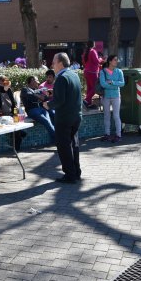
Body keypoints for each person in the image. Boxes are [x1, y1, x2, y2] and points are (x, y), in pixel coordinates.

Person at [44, 53, 82, 184]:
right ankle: (76, 172)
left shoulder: (61, 78)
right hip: (76, 116)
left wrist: (48, 104)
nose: (52, 65)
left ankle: (70, 175)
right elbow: (71, 93)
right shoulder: (74, 74)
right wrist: (54, 94)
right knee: (74, 145)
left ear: (60, 63)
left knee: (64, 147)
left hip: (64, 118)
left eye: (54, 62)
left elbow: (59, 101)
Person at [99, 55, 125, 142]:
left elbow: (122, 83)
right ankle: (107, 134)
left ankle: (118, 135)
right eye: (115, 60)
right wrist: (114, 85)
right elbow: (103, 84)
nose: (116, 61)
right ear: (110, 61)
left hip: (116, 96)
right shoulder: (103, 71)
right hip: (106, 96)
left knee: (116, 116)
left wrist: (111, 82)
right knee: (106, 116)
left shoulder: (119, 71)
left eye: (117, 60)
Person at [20, 76, 55, 140]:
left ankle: (57, 139)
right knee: (46, 122)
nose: (38, 83)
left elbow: (44, 98)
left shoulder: (37, 90)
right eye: (37, 81)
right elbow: (30, 96)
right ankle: (58, 141)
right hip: (32, 110)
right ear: (32, 81)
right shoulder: (25, 89)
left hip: (42, 109)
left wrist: (49, 95)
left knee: (50, 122)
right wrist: (39, 96)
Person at [0, 75, 25, 151]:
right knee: (14, 130)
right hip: (1, 115)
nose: (6, 84)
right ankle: (20, 136)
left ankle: (17, 146)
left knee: (16, 127)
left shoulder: (8, 90)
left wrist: (15, 113)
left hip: (11, 113)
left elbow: (13, 104)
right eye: (3, 82)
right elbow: (1, 90)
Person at [82, 40, 104, 109]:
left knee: (90, 88)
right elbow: (96, 61)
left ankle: (88, 103)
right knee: (95, 88)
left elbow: (84, 62)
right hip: (93, 72)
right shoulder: (93, 51)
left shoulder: (86, 52)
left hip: (86, 71)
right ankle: (86, 100)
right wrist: (100, 59)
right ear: (93, 44)